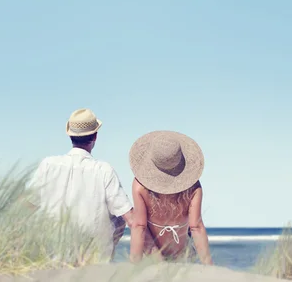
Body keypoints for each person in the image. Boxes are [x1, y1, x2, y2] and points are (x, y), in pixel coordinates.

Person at [27, 108, 147, 260]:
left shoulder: (48, 165)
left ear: (70, 135)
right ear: (95, 136)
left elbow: (24, 209)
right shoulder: (104, 170)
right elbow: (131, 219)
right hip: (94, 259)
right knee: (117, 217)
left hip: (52, 257)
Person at [128, 130, 213, 265]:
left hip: (153, 258)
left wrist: (133, 265)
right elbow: (196, 227)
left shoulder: (139, 186)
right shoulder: (193, 187)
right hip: (183, 256)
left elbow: (139, 226)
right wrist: (208, 265)